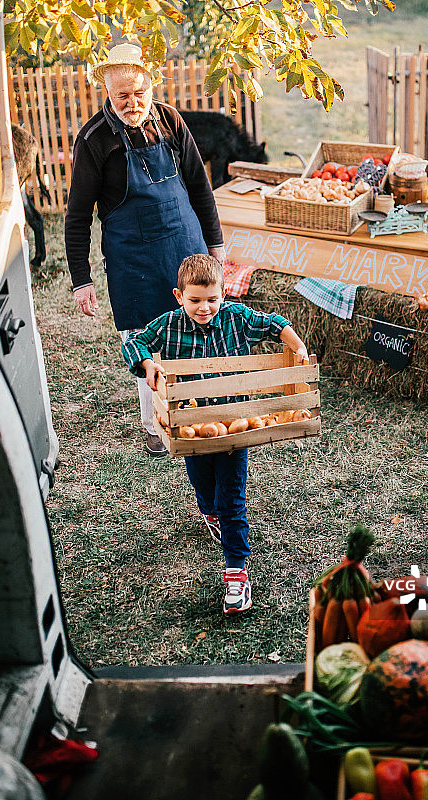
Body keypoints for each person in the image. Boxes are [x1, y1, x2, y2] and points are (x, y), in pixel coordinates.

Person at [121, 254, 309, 614]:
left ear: (224, 293)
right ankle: (209, 512)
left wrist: (296, 346)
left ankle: (236, 573)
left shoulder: (236, 319)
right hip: (191, 430)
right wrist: (149, 363)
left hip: (234, 425)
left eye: (213, 299)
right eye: (194, 300)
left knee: (232, 501)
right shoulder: (169, 324)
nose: (205, 308)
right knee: (203, 487)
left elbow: (273, 323)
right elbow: (134, 342)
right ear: (179, 295)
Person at [65, 43, 226, 457]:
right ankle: (154, 424)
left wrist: (217, 246)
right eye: (123, 95)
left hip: (185, 248)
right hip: (132, 257)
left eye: (139, 92)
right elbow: (78, 216)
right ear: (107, 91)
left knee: (197, 330)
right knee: (145, 341)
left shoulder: (170, 120)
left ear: (151, 84)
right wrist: (81, 281)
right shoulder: (94, 140)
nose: (133, 102)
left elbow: (199, 186)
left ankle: (199, 412)